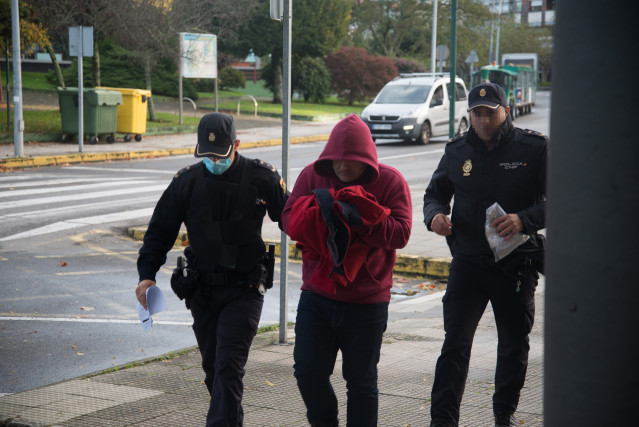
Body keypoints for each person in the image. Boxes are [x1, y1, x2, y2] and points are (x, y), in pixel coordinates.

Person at [135, 113, 288, 427]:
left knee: (228, 368)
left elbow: (292, 219)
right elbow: (159, 231)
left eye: (220, 156)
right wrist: (147, 274)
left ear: (237, 145)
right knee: (213, 370)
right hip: (203, 291)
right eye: (206, 155)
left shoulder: (262, 178)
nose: (213, 161)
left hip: (245, 288)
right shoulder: (186, 182)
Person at [423, 82, 547, 427]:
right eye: (476, 113)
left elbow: (564, 200)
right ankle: (443, 421)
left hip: (514, 266)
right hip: (468, 264)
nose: (482, 119)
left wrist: (525, 219)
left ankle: (502, 415)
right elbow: (434, 194)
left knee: (512, 345)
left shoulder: (534, 148)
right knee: (455, 345)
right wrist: (434, 216)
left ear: (505, 111)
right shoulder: (457, 150)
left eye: (489, 112)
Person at [281, 114, 412, 426]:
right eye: (335, 159)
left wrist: (361, 219)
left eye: (349, 160)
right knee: (307, 372)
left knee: (361, 383)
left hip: (367, 302)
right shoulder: (313, 176)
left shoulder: (390, 181)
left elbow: (402, 233)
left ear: (366, 159)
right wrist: (318, 216)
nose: (341, 167)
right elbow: (288, 219)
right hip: (317, 295)